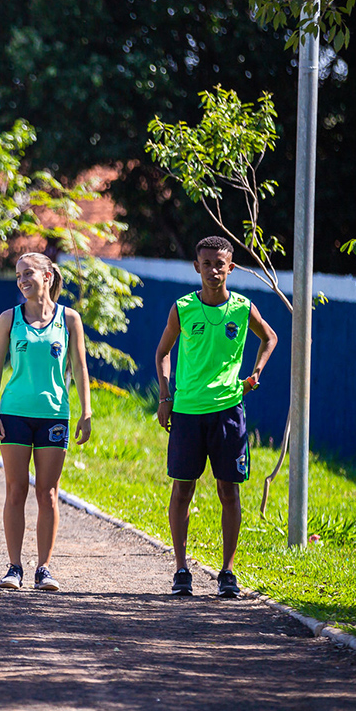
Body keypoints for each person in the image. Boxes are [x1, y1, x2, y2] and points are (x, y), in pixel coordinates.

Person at [154, 235, 277, 598]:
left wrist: (255, 373)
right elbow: (163, 352)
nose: (213, 270)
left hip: (228, 411)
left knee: (229, 491)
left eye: (219, 264)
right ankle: (181, 571)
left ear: (231, 268)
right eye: (206, 264)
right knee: (182, 489)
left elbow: (268, 337)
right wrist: (165, 396)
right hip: (187, 411)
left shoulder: (241, 307)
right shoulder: (182, 308)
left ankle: (227, 573)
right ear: (197, 266)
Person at [0, 252, 92, 591]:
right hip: (14, 413)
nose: (22, 280)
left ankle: (43, 568)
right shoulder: (8, 319)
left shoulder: (69, 319)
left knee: (47, 493)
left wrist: (86, 411)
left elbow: (79, 369)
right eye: (18, 275)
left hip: (55, 414)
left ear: (47, 276)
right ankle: (14, 567)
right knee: (16, 490)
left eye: (28, 273)